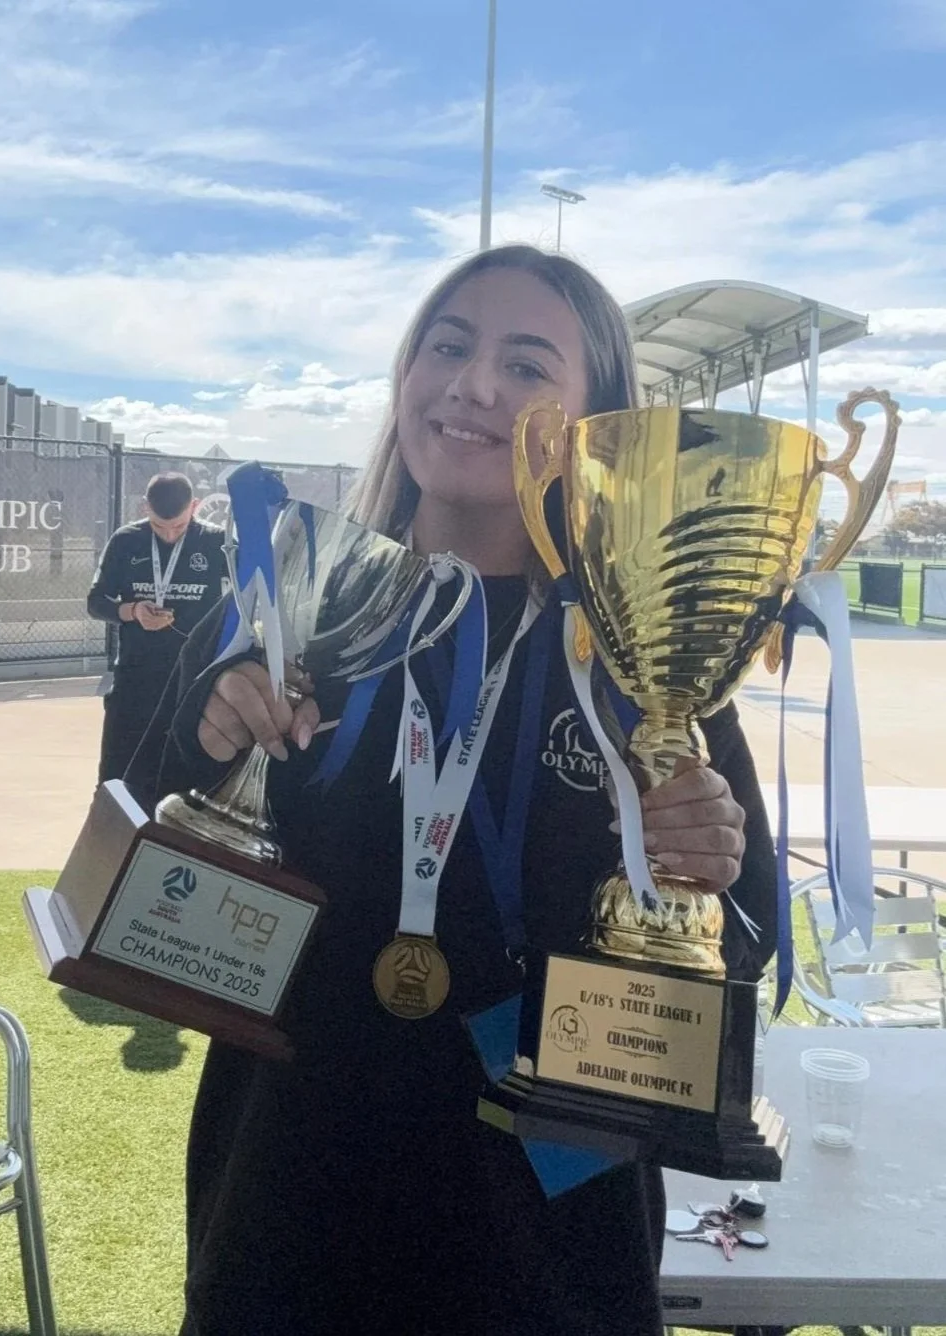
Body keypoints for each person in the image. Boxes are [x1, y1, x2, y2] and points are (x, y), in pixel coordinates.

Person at [126, 245, 777, 1336]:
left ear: (592, 420)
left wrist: (707, 867)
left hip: (545, 1248)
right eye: (448, 344)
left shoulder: (636, 657)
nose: (474, 384)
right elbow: (151, 838)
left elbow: (742, 940)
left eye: (528, 365)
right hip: (286, 1210)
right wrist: (209, 731)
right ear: (404, 377)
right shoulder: (295, 609)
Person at [87, 471, 227, 784]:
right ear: (145, 508)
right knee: (115, 777)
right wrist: (133, 610)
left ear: (195, 506)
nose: (169, 536)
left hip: (193, 679)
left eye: (178, 526)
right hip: (135, 676)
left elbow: (249, 600)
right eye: (158, 527)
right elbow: (96, 602)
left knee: (182, 777)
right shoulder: (126, 540)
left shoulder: (219, 543)